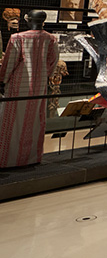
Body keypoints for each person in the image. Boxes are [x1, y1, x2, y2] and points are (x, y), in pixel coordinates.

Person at [0, 10, 58, 167]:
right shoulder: (51, 39)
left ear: (28, 20)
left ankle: (8, 161)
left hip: (18, 86)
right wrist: (43, 75)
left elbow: (9, 63)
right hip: (39, 86)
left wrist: (3, 80)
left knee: (12, 122)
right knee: (35, 123)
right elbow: (52, 63)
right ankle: (31, 159)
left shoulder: (17, 38)